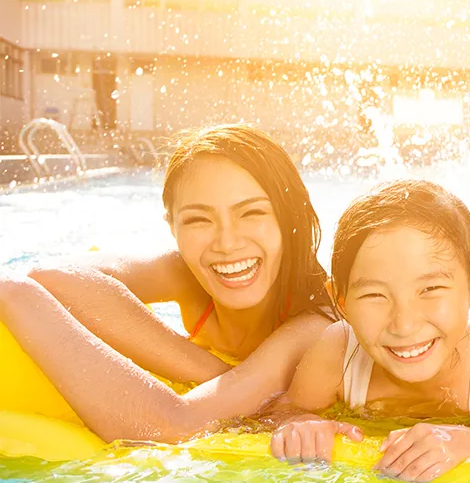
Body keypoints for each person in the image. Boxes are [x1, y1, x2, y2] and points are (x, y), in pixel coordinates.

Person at [0, 124, 335, 442]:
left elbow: (172, 427)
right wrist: (217, 372)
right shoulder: (187, 274)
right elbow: (53, 276)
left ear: (290, 219)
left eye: (252, 213)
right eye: (198, 219)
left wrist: (14, 293)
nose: (227, 242)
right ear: (172, 226)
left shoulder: (316, 327)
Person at [269, 179, 470, 482]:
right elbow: (284, 413)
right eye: (374, 295)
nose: (404, 324)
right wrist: (302, 424)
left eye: (431, 289)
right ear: (341, 302)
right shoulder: (335, 351)